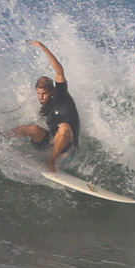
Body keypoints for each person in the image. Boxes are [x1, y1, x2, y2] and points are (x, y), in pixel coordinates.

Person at [8, 40, 80, 173]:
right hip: (49, 145)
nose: (41, 97)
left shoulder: (61, 95)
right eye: (38, 94)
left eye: (44, 94)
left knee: (64, 128)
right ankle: (2, 137)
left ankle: (51, 163)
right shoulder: (44, 108)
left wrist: (44, 48)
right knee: (33, 129)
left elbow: (59, 71)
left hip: (65, 151)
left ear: (51, 91)